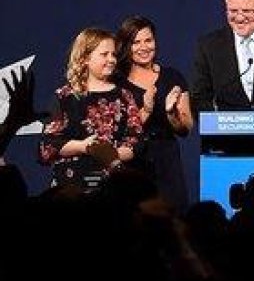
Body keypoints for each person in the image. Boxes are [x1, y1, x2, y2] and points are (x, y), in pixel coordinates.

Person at [38, 28, 143, 191]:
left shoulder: (124, 96)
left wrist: (109, 155)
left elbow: (136, 141)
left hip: (112, 187)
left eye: (113, 54)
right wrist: (84, 146)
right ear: (86, 58)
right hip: (71, 189)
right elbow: (48, 146)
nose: (111, 60)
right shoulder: (64, 96)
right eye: (104, 54)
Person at [115, 15, 194, 210]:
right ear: (126, 46)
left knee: (173, 212)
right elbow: (116, 131)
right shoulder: (116, 82)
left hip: (166, 156)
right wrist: (146, 110)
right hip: (132, 158)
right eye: (136, 42)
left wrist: (170, 113)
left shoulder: (172, 76)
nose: (144, 47)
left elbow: (186, 128)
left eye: (148, 40)